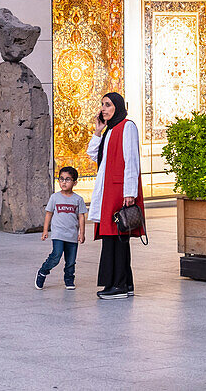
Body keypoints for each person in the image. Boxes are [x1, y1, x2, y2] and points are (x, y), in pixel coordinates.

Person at [86, 91, 145, 300]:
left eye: (108, 105)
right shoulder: (109, 130)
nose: (103, 108)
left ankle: (118, 286)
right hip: (109, 191)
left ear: (117, 106)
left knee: (116, 236)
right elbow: (94, 156)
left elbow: (131, 160)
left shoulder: (127, 126)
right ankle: (124, 284)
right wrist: (97, 132)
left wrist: (130, 192)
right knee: (115, 237)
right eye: (102, 104)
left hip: (119, 192)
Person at [35, 166, 87, 290]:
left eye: (67, 179)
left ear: (75, 182)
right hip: (58, 233)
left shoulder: (78, 199)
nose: (63, 182)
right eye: (61, 179)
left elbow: (81, 217)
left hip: (72, 235)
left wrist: (82, 233)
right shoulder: (55, 197)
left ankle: (69, 279)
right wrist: (45, 231)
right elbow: (49, 213)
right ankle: (43, 271)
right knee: (56, 255)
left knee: (70, 260)